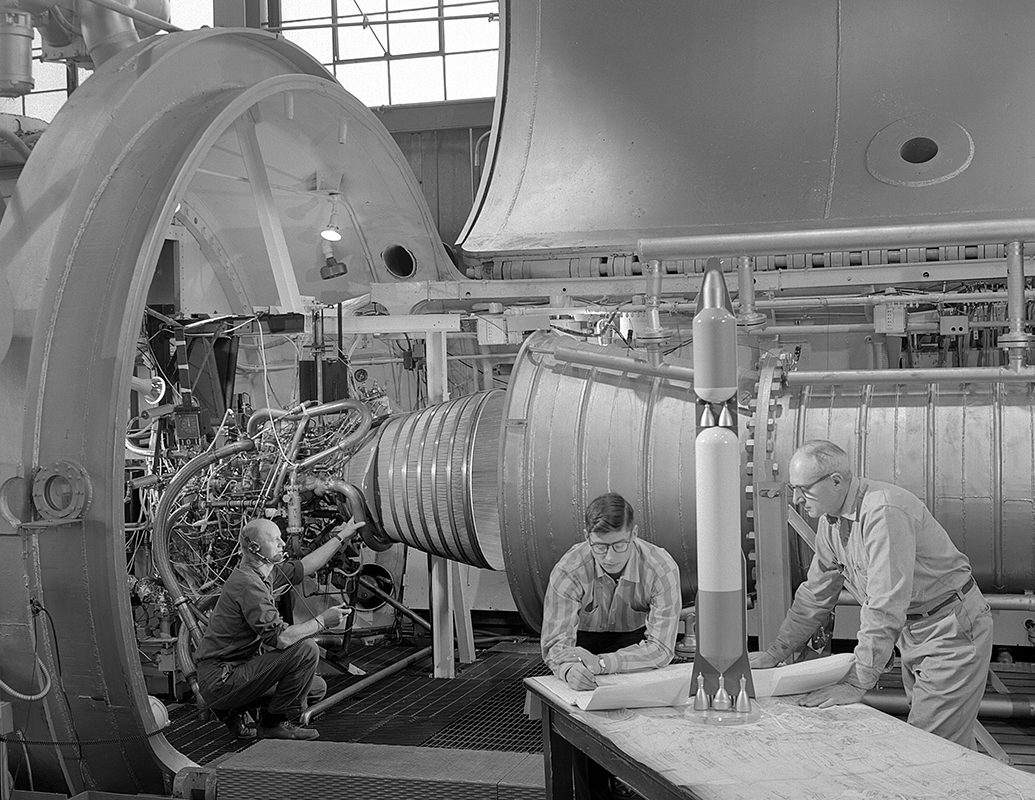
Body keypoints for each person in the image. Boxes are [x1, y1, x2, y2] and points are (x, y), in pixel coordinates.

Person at [749, 440, 992, 749]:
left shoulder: (882, 512)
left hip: (950, 630)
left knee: (928, 747)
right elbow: (815, 595)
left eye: (803, 489)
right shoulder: (831, 522)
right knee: (948, 744)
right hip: (915, 631)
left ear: (835, 481)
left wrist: (856, 681)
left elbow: (885, 603)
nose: (796, 499)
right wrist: (775, 653)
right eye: (792, 489)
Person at [541, 492, 681, 800]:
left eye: (620, 545)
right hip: (582, 644)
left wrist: (604, 663)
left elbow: (660, 647)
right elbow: (555, 644)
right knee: (582, 724)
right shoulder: (569, 569)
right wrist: (568, 670)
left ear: (634, 533)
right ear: (587, 538)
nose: (610, 557)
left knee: (644, 721)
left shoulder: (661, 567)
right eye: (600, 547)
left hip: (636, 642)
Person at [194, 516, 364, 741]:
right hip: (222, 680)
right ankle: (272, 725)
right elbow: (281, 639)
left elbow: (307, 565)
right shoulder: (248, 584)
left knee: (315, 688)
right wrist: (322, 620)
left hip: (236, 671)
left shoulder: (266, 572)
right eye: (276, 540)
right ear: (255, 548)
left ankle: (239, 711)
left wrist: (341, 537)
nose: (283, 544)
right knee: (306, 650)